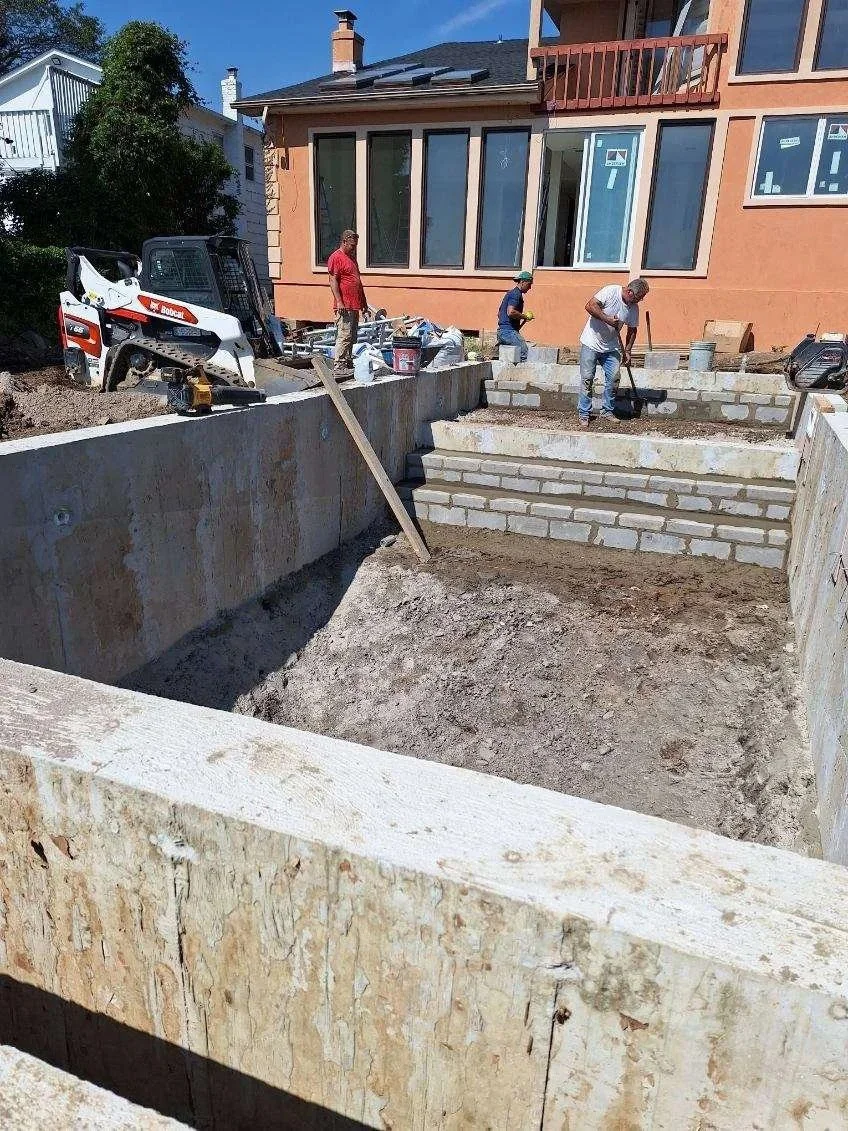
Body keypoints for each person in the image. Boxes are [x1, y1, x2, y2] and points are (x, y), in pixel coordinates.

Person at [578, 278, 650, 429]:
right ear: (630, 292)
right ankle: (584, 413)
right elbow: (589, 306)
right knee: (587, 379)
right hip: (591, 342)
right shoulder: (610, 291)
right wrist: (608, 319)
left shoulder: (633, 308)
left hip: (611, 347)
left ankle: (607, 411)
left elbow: (632, 330)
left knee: (614, 378)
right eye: (639, 297)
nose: (640, 300)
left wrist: (628, 351)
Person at [327, 230, 368, 377]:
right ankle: (339, 365)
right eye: (351, 245)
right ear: (344, 241)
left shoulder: (352, 259)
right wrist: (339, 301)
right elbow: (333, 281)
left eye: (355, 245)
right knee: (344, 335)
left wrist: (364, 303)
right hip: (344, 305)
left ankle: (347, 362)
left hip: (354, 305)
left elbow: (358, 282)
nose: (354, 248)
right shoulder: (336, 257)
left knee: (352, 336)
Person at [497, 271, 534, 362]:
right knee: (523, 352)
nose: (530, 287)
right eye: (529, 284)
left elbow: (499, 314)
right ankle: (520, 376)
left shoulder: (510, 293)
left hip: (502, 332)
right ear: (522, 282)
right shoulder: (516, 294)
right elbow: (511, 312)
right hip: (508, 332)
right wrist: (524, 316)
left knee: (509, 358)